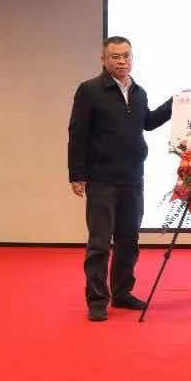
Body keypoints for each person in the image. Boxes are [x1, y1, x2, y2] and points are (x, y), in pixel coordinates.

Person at [68, 36, 173, 322]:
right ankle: (97, 300)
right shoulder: (90, 90)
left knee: (129, 239)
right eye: (115, 56)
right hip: (102, 178)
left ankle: (122, 292)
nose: (122, 61)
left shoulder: (139, 92)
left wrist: (176, 103)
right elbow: (77, 133)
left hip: (133, 177)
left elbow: (148, 123)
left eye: (126, 56)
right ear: (103, 60)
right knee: (100, 242)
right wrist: (77, 174)